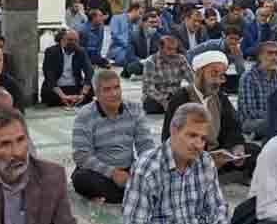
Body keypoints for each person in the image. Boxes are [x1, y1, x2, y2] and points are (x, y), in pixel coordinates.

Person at [123, 103, 265, 224]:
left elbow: (217, 207)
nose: (198, 144)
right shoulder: (148, 167)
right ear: (174, 130)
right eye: (192, 135)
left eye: (203, 138)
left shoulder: (205, 161)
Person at [162, 50, 251, 179]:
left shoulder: (220, 97)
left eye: (221, 75)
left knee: (254, 151)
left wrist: (237, 148)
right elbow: (169, 138)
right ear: (199, 73)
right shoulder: (181, 98)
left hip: (218, 152)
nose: (218, 81)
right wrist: (206, 157)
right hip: (192, 152)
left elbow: (232, 127)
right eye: (214, 74)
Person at [71, 70, 156, 203]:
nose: (114, 93)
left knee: (155, 173)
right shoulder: (85, 115)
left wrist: (146, 168)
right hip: (99, 172)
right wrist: (113, 173)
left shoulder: (134, 109)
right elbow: (81, 155)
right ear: (97, 94)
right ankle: (134, 192)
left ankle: (124, 192)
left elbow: (145, 145)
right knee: (81, 179)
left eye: (117, 87)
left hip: (128, 169)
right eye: (107, 90)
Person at [239, 40, 277, 140]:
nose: (274, 57)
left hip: (276, 117)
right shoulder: (248, 77)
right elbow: (249, 112)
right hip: (252, 121)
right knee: (272, 124)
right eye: (270, 53)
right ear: (260, 56)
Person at [140, 33, 193, 115]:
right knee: (150, 104)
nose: (173, 52)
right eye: (169, 49)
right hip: (158, 97)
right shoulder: (150, 62)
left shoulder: (180, 59)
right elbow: (148, 88)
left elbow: (192, 79)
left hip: (174, 95)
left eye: (174, 49)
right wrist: (163, 101)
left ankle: (174, 107)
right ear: (160, 48)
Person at [42, 29, 95, 107]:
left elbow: (89, 72)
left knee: (91, 92)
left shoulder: (81, 51)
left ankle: (74, 99)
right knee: (48, 95)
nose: (73, 43)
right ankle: (71, 100)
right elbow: (49, 77)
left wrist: (83, 94)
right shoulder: (51, 52)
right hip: (57, 88)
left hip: (74, 87)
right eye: (70, 40)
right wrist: (63, 96)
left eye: (76, 41)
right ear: (62, 41)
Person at [188, 23, 247, 93]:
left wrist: (237, 57)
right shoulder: (212, 44)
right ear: (224, 36)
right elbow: (190, 53)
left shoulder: (237, 51)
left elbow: (241, 72)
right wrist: (193, 72)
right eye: (231, 38)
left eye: (236, 39)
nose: (233, 42)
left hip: (218, 75)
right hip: (203, 74)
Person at [126, 9, 163, 78]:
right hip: (139, 63)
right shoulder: (134, 35)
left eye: (156, 22)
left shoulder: (158, 36)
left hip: (152, 64)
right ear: (143, 23)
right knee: (132, 67)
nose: (154, 25)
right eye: (151, 22)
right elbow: (130, 56)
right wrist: (143, 61)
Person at [107, 2, 142, 68]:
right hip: (118, 50)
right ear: (134, 10)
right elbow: (115, 35)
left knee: (142, 61)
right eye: (140, 13)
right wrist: (128, 44)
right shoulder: (117, 18)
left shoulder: (137, 24)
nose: (140, 16)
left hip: (131, 52)